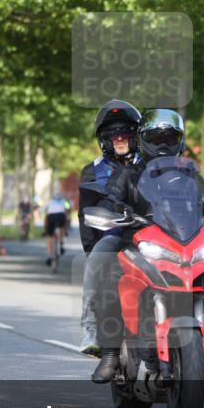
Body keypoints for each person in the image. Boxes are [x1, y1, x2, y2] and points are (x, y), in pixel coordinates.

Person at [90, 109, 204, 383]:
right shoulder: (128, 174)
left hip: (182, 244)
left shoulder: (191, 176)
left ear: (180, 140)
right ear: (143, 140)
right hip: (139, 242)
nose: (163, 145)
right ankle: (110, 354)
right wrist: (117, 208)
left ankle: (200, 352)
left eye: (169, 138)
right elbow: (111, 198)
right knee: (109, 279)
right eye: (156, 138)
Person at [77, 99, 143, 356]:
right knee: (97, 257)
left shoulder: (149, 166)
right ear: (104, 140)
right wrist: (91, 249)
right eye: (112, 134)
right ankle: (90, 328)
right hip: (113, 239)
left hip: (149, 236)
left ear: (135, 135)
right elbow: (84, 214)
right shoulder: (92, 171)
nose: (119, 138)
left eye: (125, 132)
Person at [44, 192, 68, 266]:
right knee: (63, 225)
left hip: (51, 217)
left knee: (49, 237)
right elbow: (67, 209)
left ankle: (49, 256)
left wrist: (45, 228)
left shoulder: (50, 202)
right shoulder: (64, 201)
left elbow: (46, 212)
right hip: (61, 216)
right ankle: (61, 243)